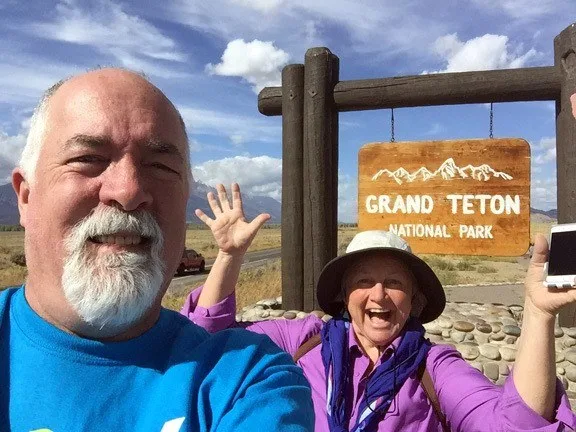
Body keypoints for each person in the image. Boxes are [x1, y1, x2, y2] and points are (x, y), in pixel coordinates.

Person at [0, 69, 314, 431]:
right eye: (88, 158)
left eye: (161, 166)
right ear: (26, 196)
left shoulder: (245, 382)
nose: (129, 190)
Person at [182, 183, 576, 431]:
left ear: (416, 300)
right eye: (363, 282)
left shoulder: (434, 368)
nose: (378, 295)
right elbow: (207, 340)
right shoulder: (302, 342)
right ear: (343, 295)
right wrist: (229, 256)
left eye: (394, 283)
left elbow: (514, 424)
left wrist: (539, 315)